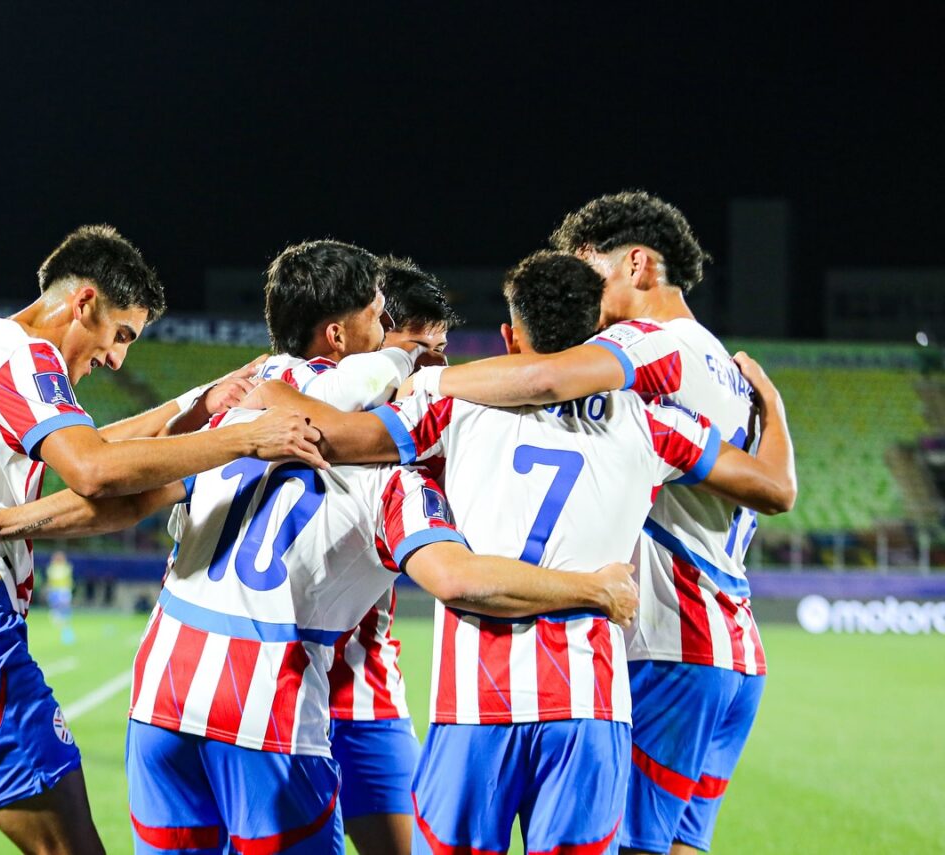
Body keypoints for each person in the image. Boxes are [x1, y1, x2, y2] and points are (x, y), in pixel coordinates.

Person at [248, 249, 794, 855]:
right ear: (598, 332)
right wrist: (772, 407)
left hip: (473, 702)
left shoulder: (449, 405)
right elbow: (774, 488)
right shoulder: (656, 423)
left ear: (510, 336)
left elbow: (334, 437)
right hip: (587, 703)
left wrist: (270, 385)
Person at [0, 224, 323, 855]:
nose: (116, 359)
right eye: (121, 334)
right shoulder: (24, 355)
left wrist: (196, 402)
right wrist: (244, 437)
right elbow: (94, 470)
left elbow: (94, 445)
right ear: (84, 303)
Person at [412, 193, 777, 854]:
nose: (583, 291)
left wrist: (429, 385)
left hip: (670, 635)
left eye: (590, 270)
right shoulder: (729, 368)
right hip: (735, 650)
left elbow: (543, 378)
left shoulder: (645, 342)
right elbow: (778, 488)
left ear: (636, 264)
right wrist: (775, 406)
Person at [320, 254, 462, 855]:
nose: (429, 369)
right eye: (415, 351)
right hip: (268, 683)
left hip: (362, 686)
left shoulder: (426, 440)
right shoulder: (276, 409)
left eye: (440, 352)